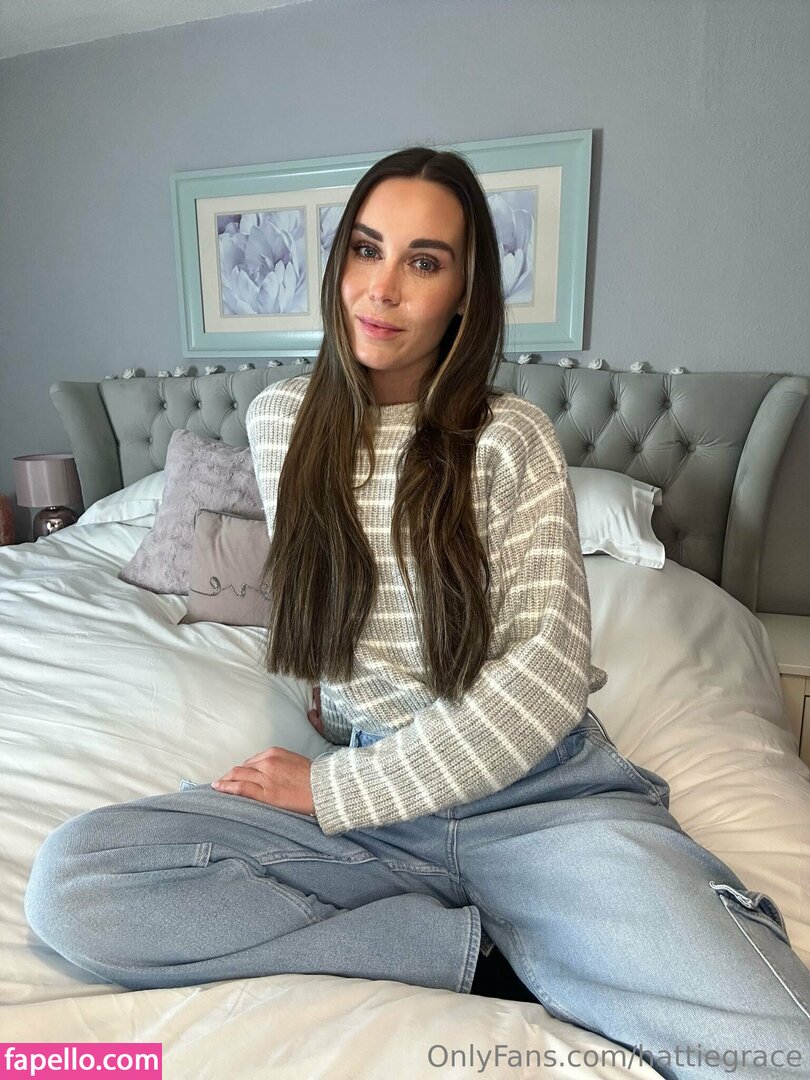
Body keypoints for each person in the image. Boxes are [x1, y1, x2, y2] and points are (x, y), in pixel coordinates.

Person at [24, 147, 810, 1079]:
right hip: (372, 814)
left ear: (463, 296)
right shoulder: (282, 423)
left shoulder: (511, 438)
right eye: (366, 249)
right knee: (76, 883)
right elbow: (326, 600)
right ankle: (472, 959)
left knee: (772, 1048)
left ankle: (524, 926)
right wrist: (330, 721)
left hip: (540, 800)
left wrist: (331, 792)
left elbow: (545, 679)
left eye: (424, 262)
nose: (383, 287)